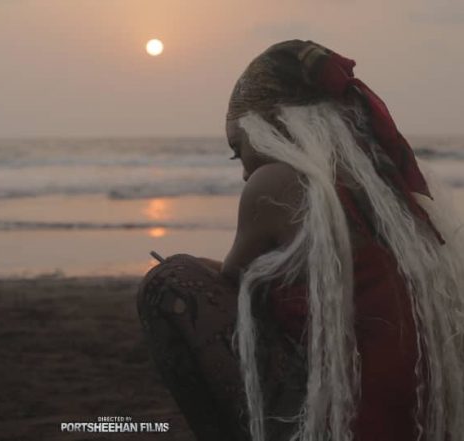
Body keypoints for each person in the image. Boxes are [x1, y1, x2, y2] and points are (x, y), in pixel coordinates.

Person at [137, 40, 464, 441]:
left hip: (349, 416)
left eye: (238, 150)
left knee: (170, 280)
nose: (244, 173)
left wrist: (191, 265)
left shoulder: (274, 182)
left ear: (272, 128)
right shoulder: (380, 184)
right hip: (411, 413)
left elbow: (230, 281)